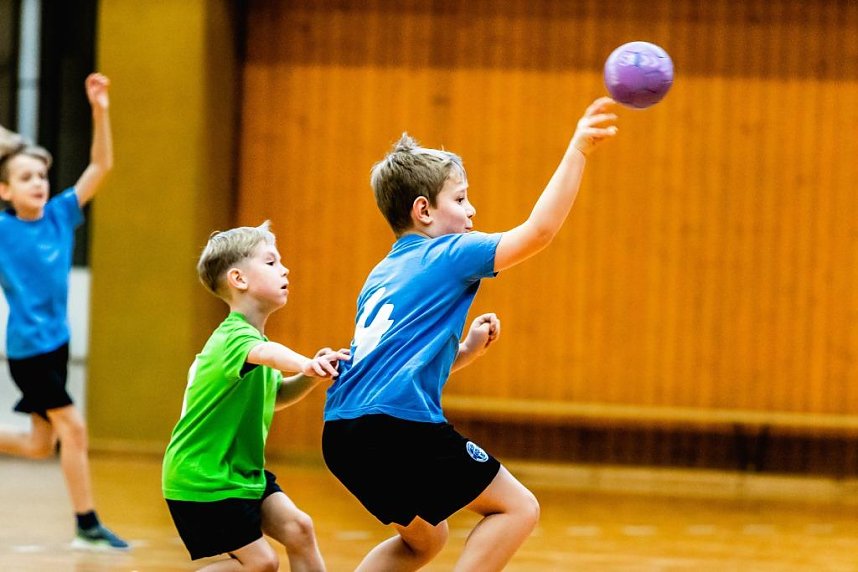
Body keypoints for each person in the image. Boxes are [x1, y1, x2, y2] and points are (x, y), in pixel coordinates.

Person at [322, 96, 619, 571]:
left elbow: (395, 365)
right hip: (397, 429)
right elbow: (539, 232)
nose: (471, 210)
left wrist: (464, 352)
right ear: (423, 210)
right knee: (518, 509)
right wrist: (577, 150)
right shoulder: (451, 252)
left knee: (424, 542)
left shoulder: (380, 275)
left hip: (343, 434)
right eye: (460, 199)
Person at [162, 221, 349, 571]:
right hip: (204, 478)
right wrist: (305, 363)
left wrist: (312, 375)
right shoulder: (233, 338)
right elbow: (267, 354)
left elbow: (274, 395)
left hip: (242, 474)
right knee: (262, 564)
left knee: (299, 529)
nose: (285, 269)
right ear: (239, 279)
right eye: (271, 262)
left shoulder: (253, 343)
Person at [0, 73, 128, 550]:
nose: (38, 183)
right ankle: (87, 525)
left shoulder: (59, 214)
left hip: (57, 344)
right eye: (25, 177)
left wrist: (100, 109)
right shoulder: (3, 230)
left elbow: (100, 165)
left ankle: (87, 526)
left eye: (41, 176)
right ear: (4, 191)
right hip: (28, 352)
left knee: (40, 445)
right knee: (74, 428)